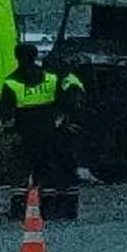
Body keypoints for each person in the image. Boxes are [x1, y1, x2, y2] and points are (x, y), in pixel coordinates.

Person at [0, 41, 62, 219]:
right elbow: (61, 105)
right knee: (46, 171)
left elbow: (5, 112)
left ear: (17, 58)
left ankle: (18, 210)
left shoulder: (11, 83)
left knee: (20, 172)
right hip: (48, 134)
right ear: (35, 56)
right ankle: (49, 209)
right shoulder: (51, 79)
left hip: (24, 135)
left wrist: (8, 132)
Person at [49, 61, 87, 220]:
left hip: (69, 130)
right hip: (68, 128)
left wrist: (62, 122)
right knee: (62, 168)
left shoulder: (69, 83)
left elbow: (72, 106)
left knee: (67, 167)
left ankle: (68, 208)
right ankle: (64, 206)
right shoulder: (67, 81)